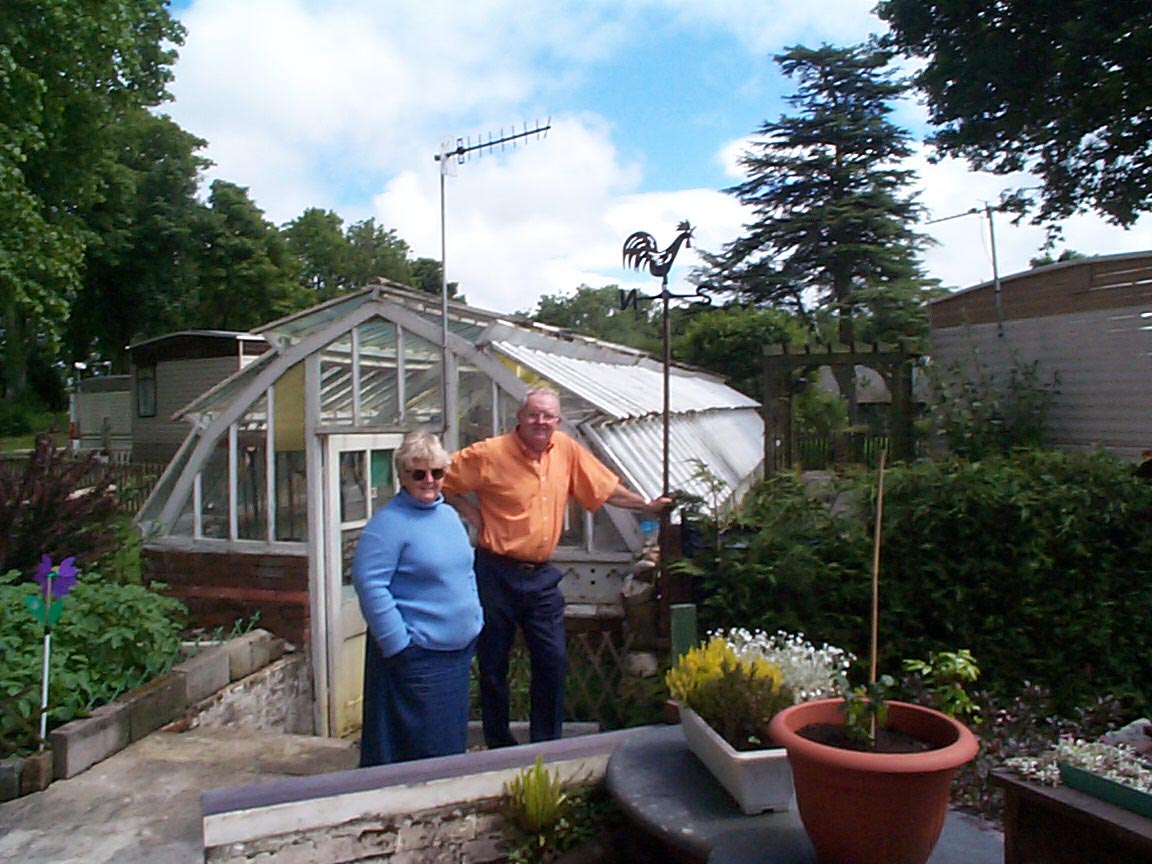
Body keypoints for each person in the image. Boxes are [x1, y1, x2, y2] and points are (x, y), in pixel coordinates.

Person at [442, 386, 671, 748]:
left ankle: (545, 745)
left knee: (552, 660)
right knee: (492, 664)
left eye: (548, 416)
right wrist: (470, 512)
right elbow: (439, 479)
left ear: (558, 421)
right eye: (534, 414)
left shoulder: (564, 450)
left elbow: (604, 488)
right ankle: (498, 744)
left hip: (541, 577)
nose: (541, 422)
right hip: (495, 572)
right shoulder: (489, 454)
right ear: (519, 418)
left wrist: (646, 505)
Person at [352, 430, 482, 765]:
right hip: (419, 657)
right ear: (402, 476)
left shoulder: (449, 517)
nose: (429, 480)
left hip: (455, 656)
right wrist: (399, 645)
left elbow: (465, 569)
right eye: (418, 473)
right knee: (418, 752)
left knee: (447, 747)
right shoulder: (389, 524)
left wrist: (475, 620)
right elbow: (369, 583)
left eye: (436, 473)